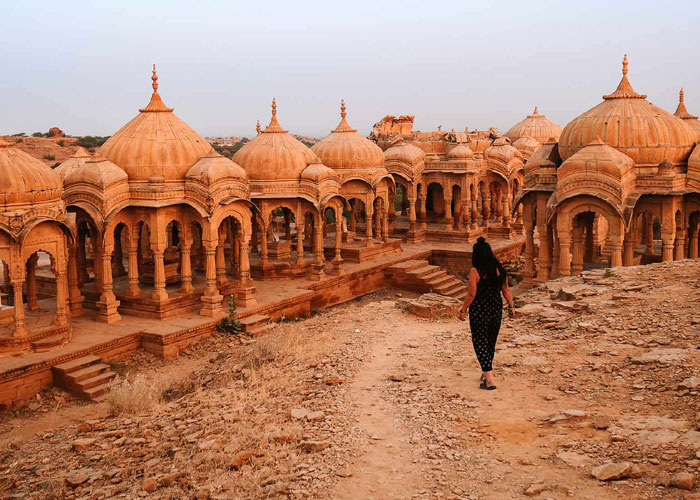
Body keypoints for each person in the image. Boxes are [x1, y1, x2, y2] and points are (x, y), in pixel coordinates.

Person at [457, 237, 515, 390]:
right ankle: (485, 372)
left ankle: (489, 378)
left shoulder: (475, 271)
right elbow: (506, 290)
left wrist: (463, 310)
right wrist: (511, 307)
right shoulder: (499, 270)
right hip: (496, 309)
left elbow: (471, 295)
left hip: (479, 311)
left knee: (479, 342)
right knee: (490, 341)